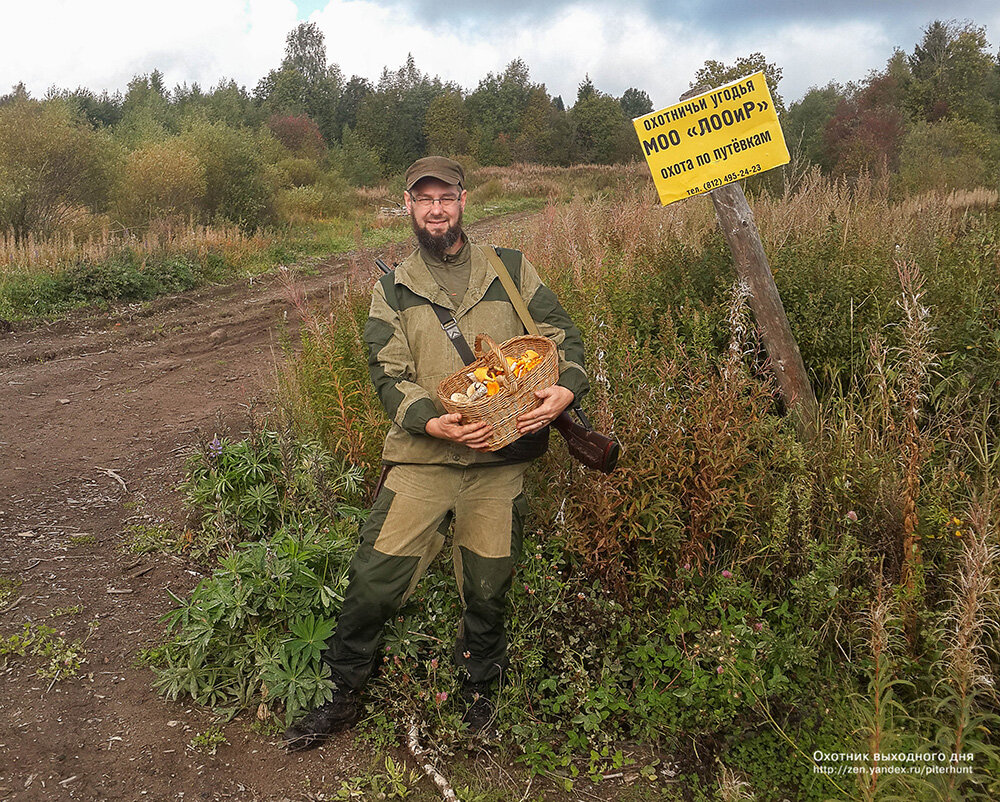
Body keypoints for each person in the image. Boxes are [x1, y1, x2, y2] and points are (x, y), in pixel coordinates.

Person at [284, 156, 589, 751]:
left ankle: (478, 699)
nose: (435, 209)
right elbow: (387, 375)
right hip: (424, 461)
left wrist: (565, 389)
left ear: (463, 201)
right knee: (373, 582)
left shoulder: (511, 268)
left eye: (444, 197)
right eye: (423, 199)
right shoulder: (392, 287)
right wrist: (435, 422)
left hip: (500, 466)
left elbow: (563, 338)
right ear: (408, 206)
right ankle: (343, 695)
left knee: (489, 587)